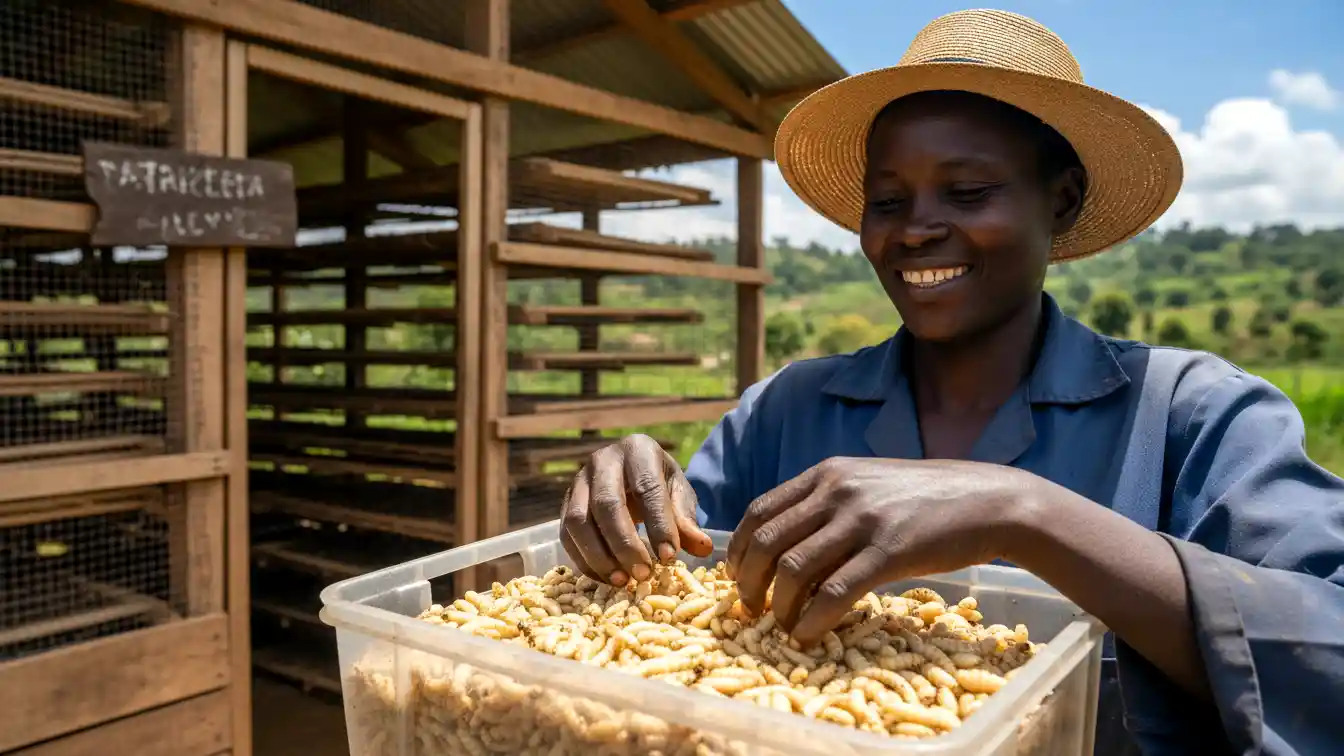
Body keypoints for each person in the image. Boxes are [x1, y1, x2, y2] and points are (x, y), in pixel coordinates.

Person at [558, 9, 1344, 756]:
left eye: (967, 192)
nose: (916, 228)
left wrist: (1020, 513)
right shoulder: (785, 413)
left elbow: (1329, 642)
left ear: (1061, 200)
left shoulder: (1193, 416)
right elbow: (673, 594)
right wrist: (633, 505)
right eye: (888, 201)